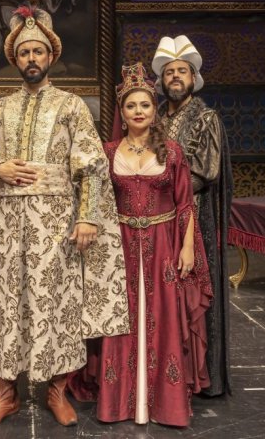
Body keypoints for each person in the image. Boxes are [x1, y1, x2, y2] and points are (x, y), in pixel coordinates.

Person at [0, 4, 129, 428]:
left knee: (55, 303)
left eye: (38, 51)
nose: (32, 58)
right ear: (15, 58)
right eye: (24, 52)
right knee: (6, 304)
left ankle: (56, 391)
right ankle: (6, 394)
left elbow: (91, 165)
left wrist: (87, 217)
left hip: (56, 224)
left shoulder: (72, 107)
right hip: (7, 224)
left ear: (50, 56)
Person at [69, 62, 213, 427]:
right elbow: (93, 199)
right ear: (122, 111)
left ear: (153, 109)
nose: (138, 111)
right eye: (131, 105)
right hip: (119, 247)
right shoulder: (107, 152)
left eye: (145, 105)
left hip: (163, 245)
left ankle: (165, 404)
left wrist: (187, 248)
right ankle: (118, 403)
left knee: (163, 317)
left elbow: (185, 204)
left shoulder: (172, 152)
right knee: (120, 317)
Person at [152, 35, 233, 396]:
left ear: (193, 78)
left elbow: (206, 170)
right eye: (169, 72)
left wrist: (164, 190)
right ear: (162, 79)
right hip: (156, 219)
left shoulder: (206, 118)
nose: (175, 76)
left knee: (192, 295)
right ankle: (167, 374)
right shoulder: (153, 116)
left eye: (181, 71)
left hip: (193, 217)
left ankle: (199, 376)